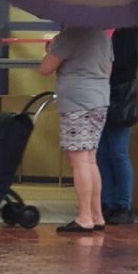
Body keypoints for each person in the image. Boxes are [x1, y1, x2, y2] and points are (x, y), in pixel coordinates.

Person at [39, 27, 113, 233]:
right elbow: (108, 70)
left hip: (77, 102)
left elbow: (45, 68)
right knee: (90, 159)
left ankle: (84, 217)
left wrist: (51, 50)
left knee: (79, 161)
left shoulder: (70, 34)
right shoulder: (103, 36)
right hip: (100, 100)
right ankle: (97, 215)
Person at [97, 26, 138, 225]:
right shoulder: (99, 29)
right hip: (98, 93)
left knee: (117, 151)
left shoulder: (127, 29)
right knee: (101, 152)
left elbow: (123, 64)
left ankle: (123, 204)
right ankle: (106, 202)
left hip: (120, 95)